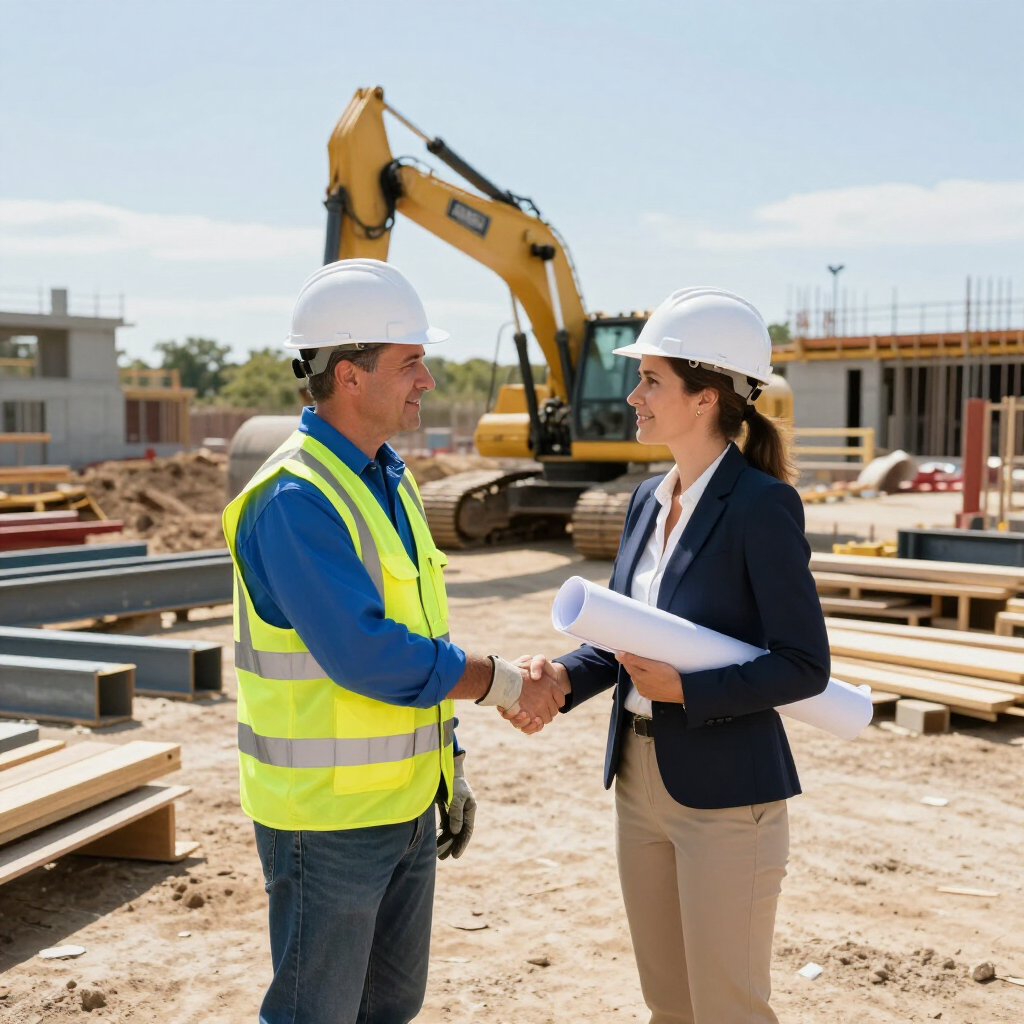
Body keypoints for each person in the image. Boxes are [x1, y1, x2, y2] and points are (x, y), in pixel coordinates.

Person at [222, 258, 564, 1024]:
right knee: (318, 1014)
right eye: (411, 363)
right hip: (326, 825)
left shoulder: (388, 477)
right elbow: (369, 654)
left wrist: (452, 768)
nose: (428, 380)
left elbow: (422, 635)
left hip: (406, 805)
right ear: (349, 375)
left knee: (388, 1008)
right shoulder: (294, 498)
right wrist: (504, 682)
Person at [522, 288, 830, 1024]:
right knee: (668, 1004)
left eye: (652, 379)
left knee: (727, 1008)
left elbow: (803, 664)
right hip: (637, 778)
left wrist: (688, 693)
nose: (634, 395)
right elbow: (633, 639)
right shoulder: (646, 501)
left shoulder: (761, 506)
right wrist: (565, 674)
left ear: (705, 396)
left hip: (727, 795)